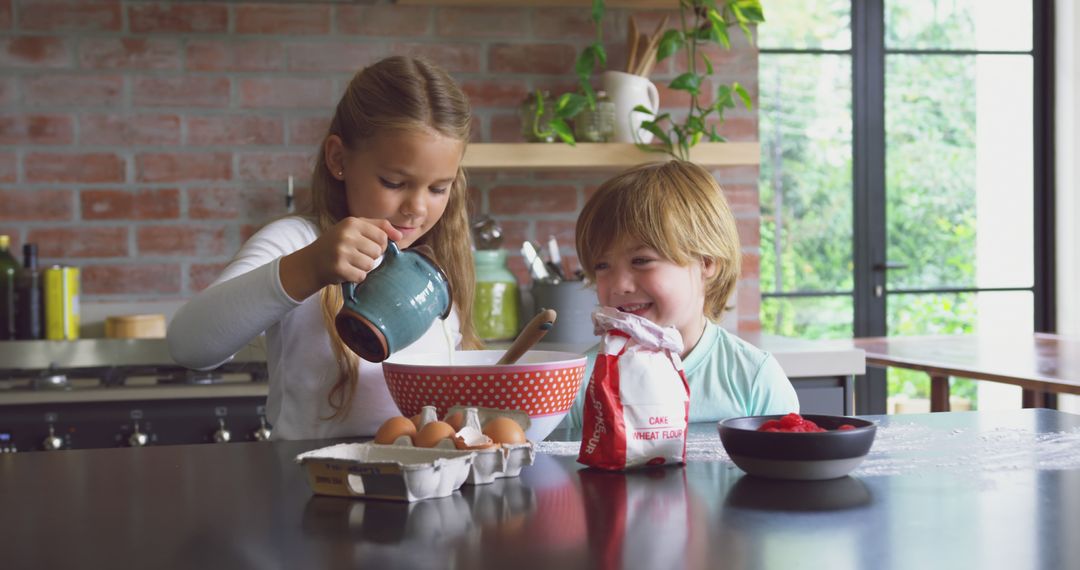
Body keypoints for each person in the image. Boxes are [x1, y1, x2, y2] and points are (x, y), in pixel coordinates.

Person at [168, 56, 480, 440]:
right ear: (338, 159)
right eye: (394, 182)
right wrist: (310, 268)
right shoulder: (297, 242)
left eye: (438, 188)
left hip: (424, 487)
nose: (417, 208)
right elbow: (189, 346)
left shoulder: (436, 263)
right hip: (313, 487)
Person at [563, 160, 799, 428]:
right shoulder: (579, 383)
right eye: (602, 266)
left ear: (706, 262)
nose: (619, 285)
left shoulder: (752, 377)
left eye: (641, 260)